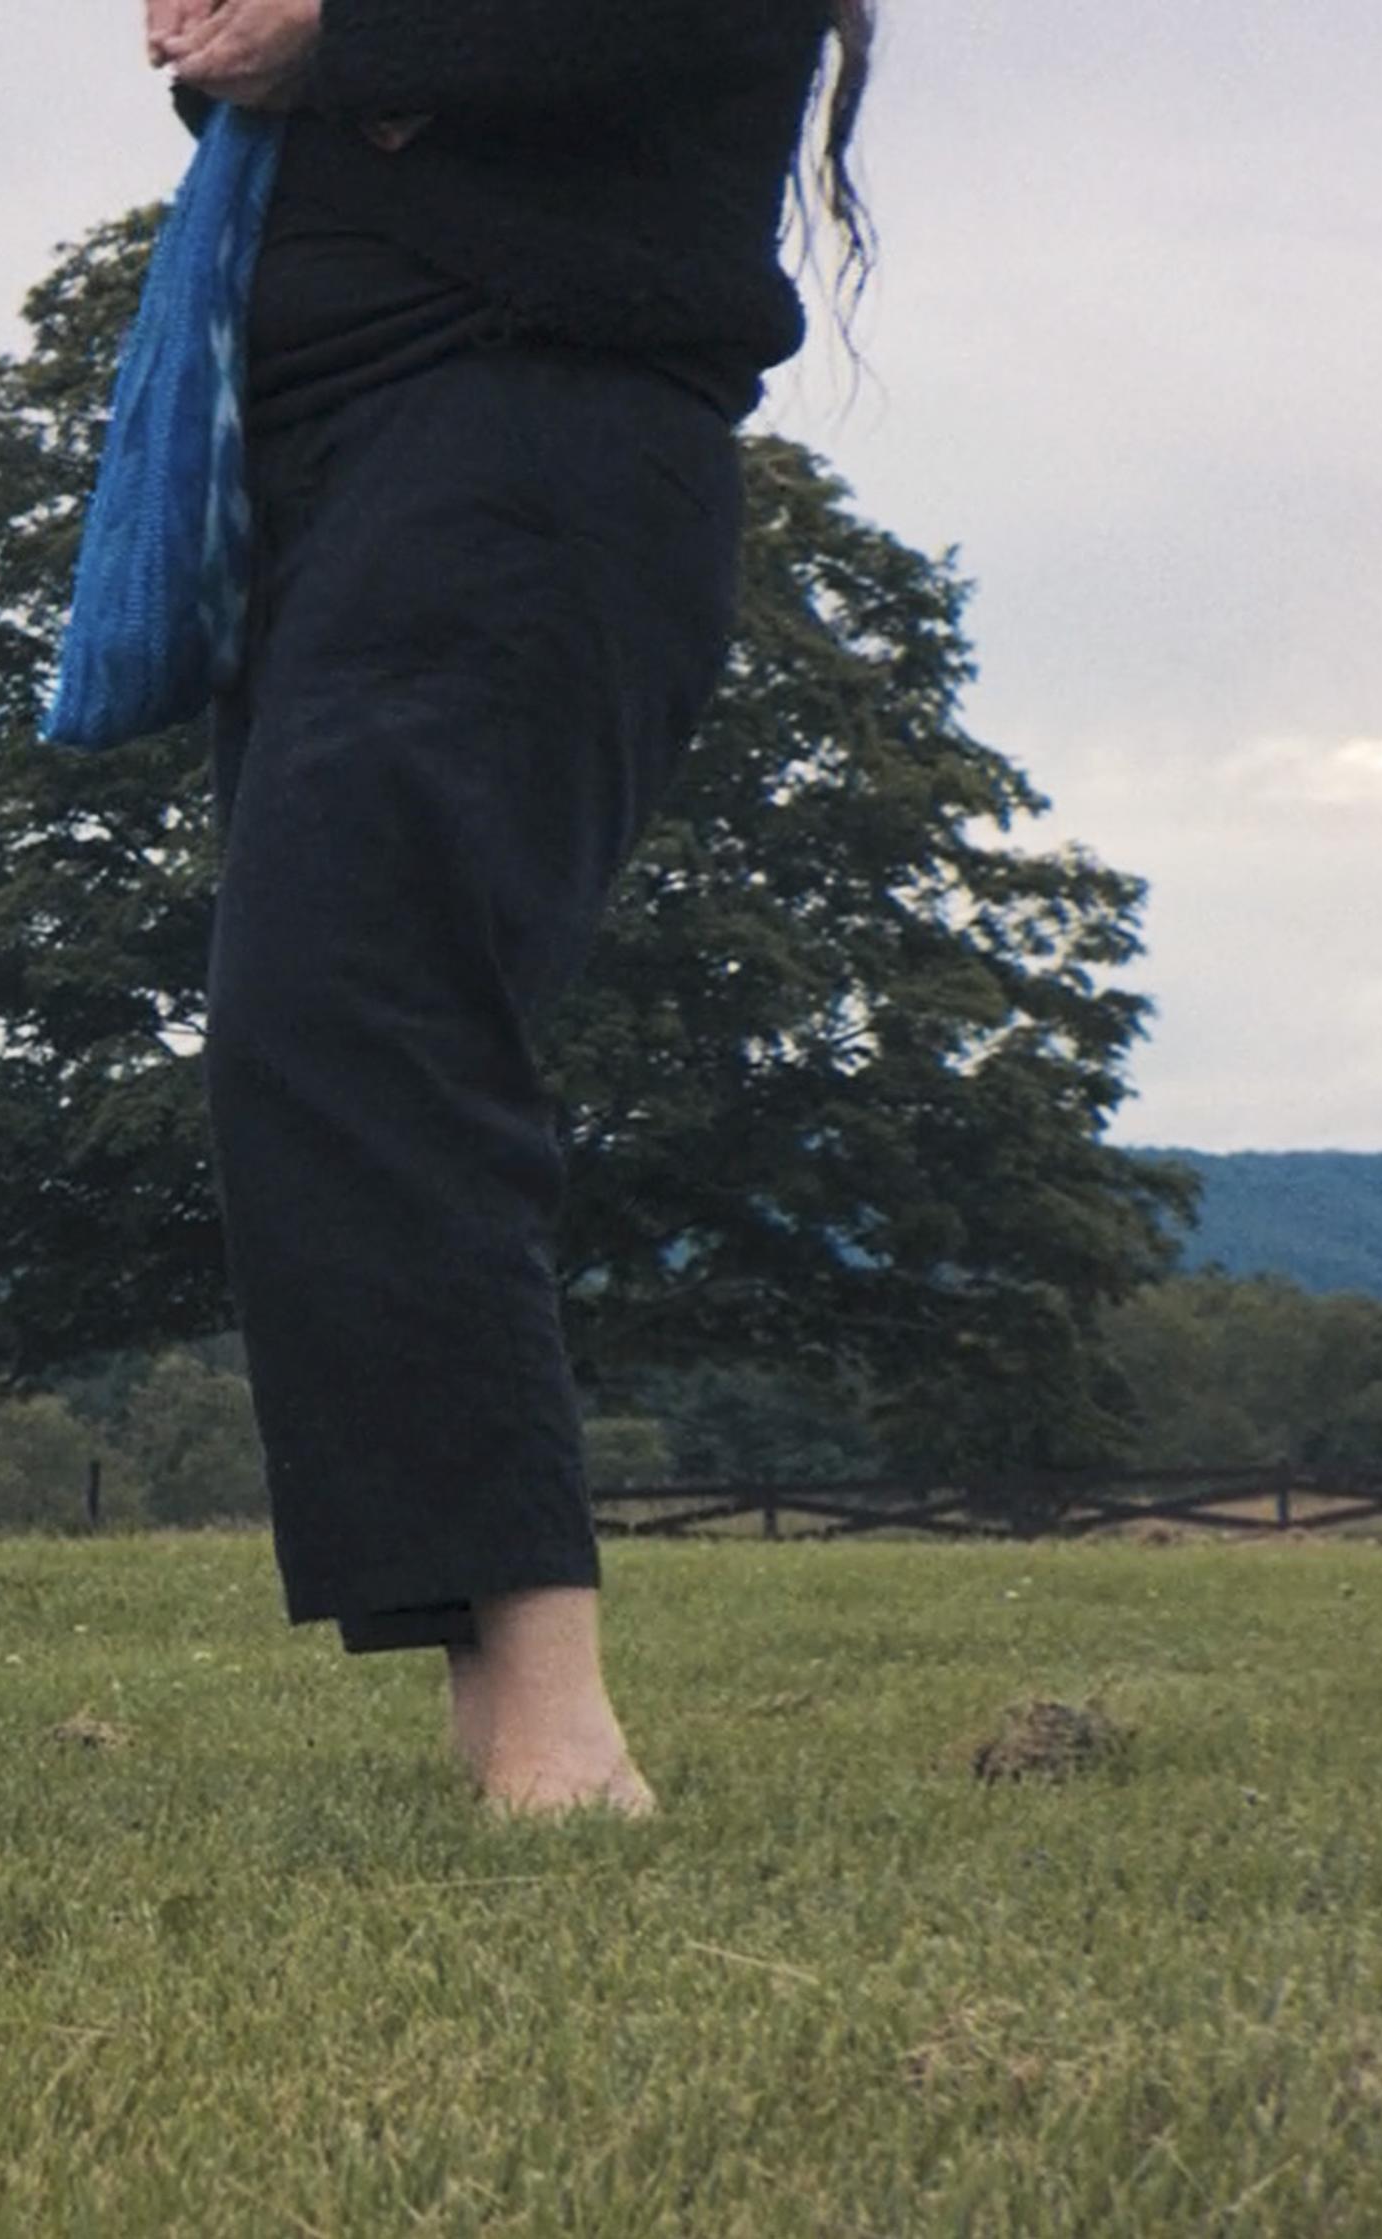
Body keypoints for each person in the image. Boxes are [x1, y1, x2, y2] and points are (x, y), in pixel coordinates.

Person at [142, 0, 873, 1812]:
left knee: (361, 1009)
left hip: (535, 434)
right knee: (316, 1035)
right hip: (336, 459)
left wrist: (334, 36)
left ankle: (561, 1731)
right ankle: (494, 1705)